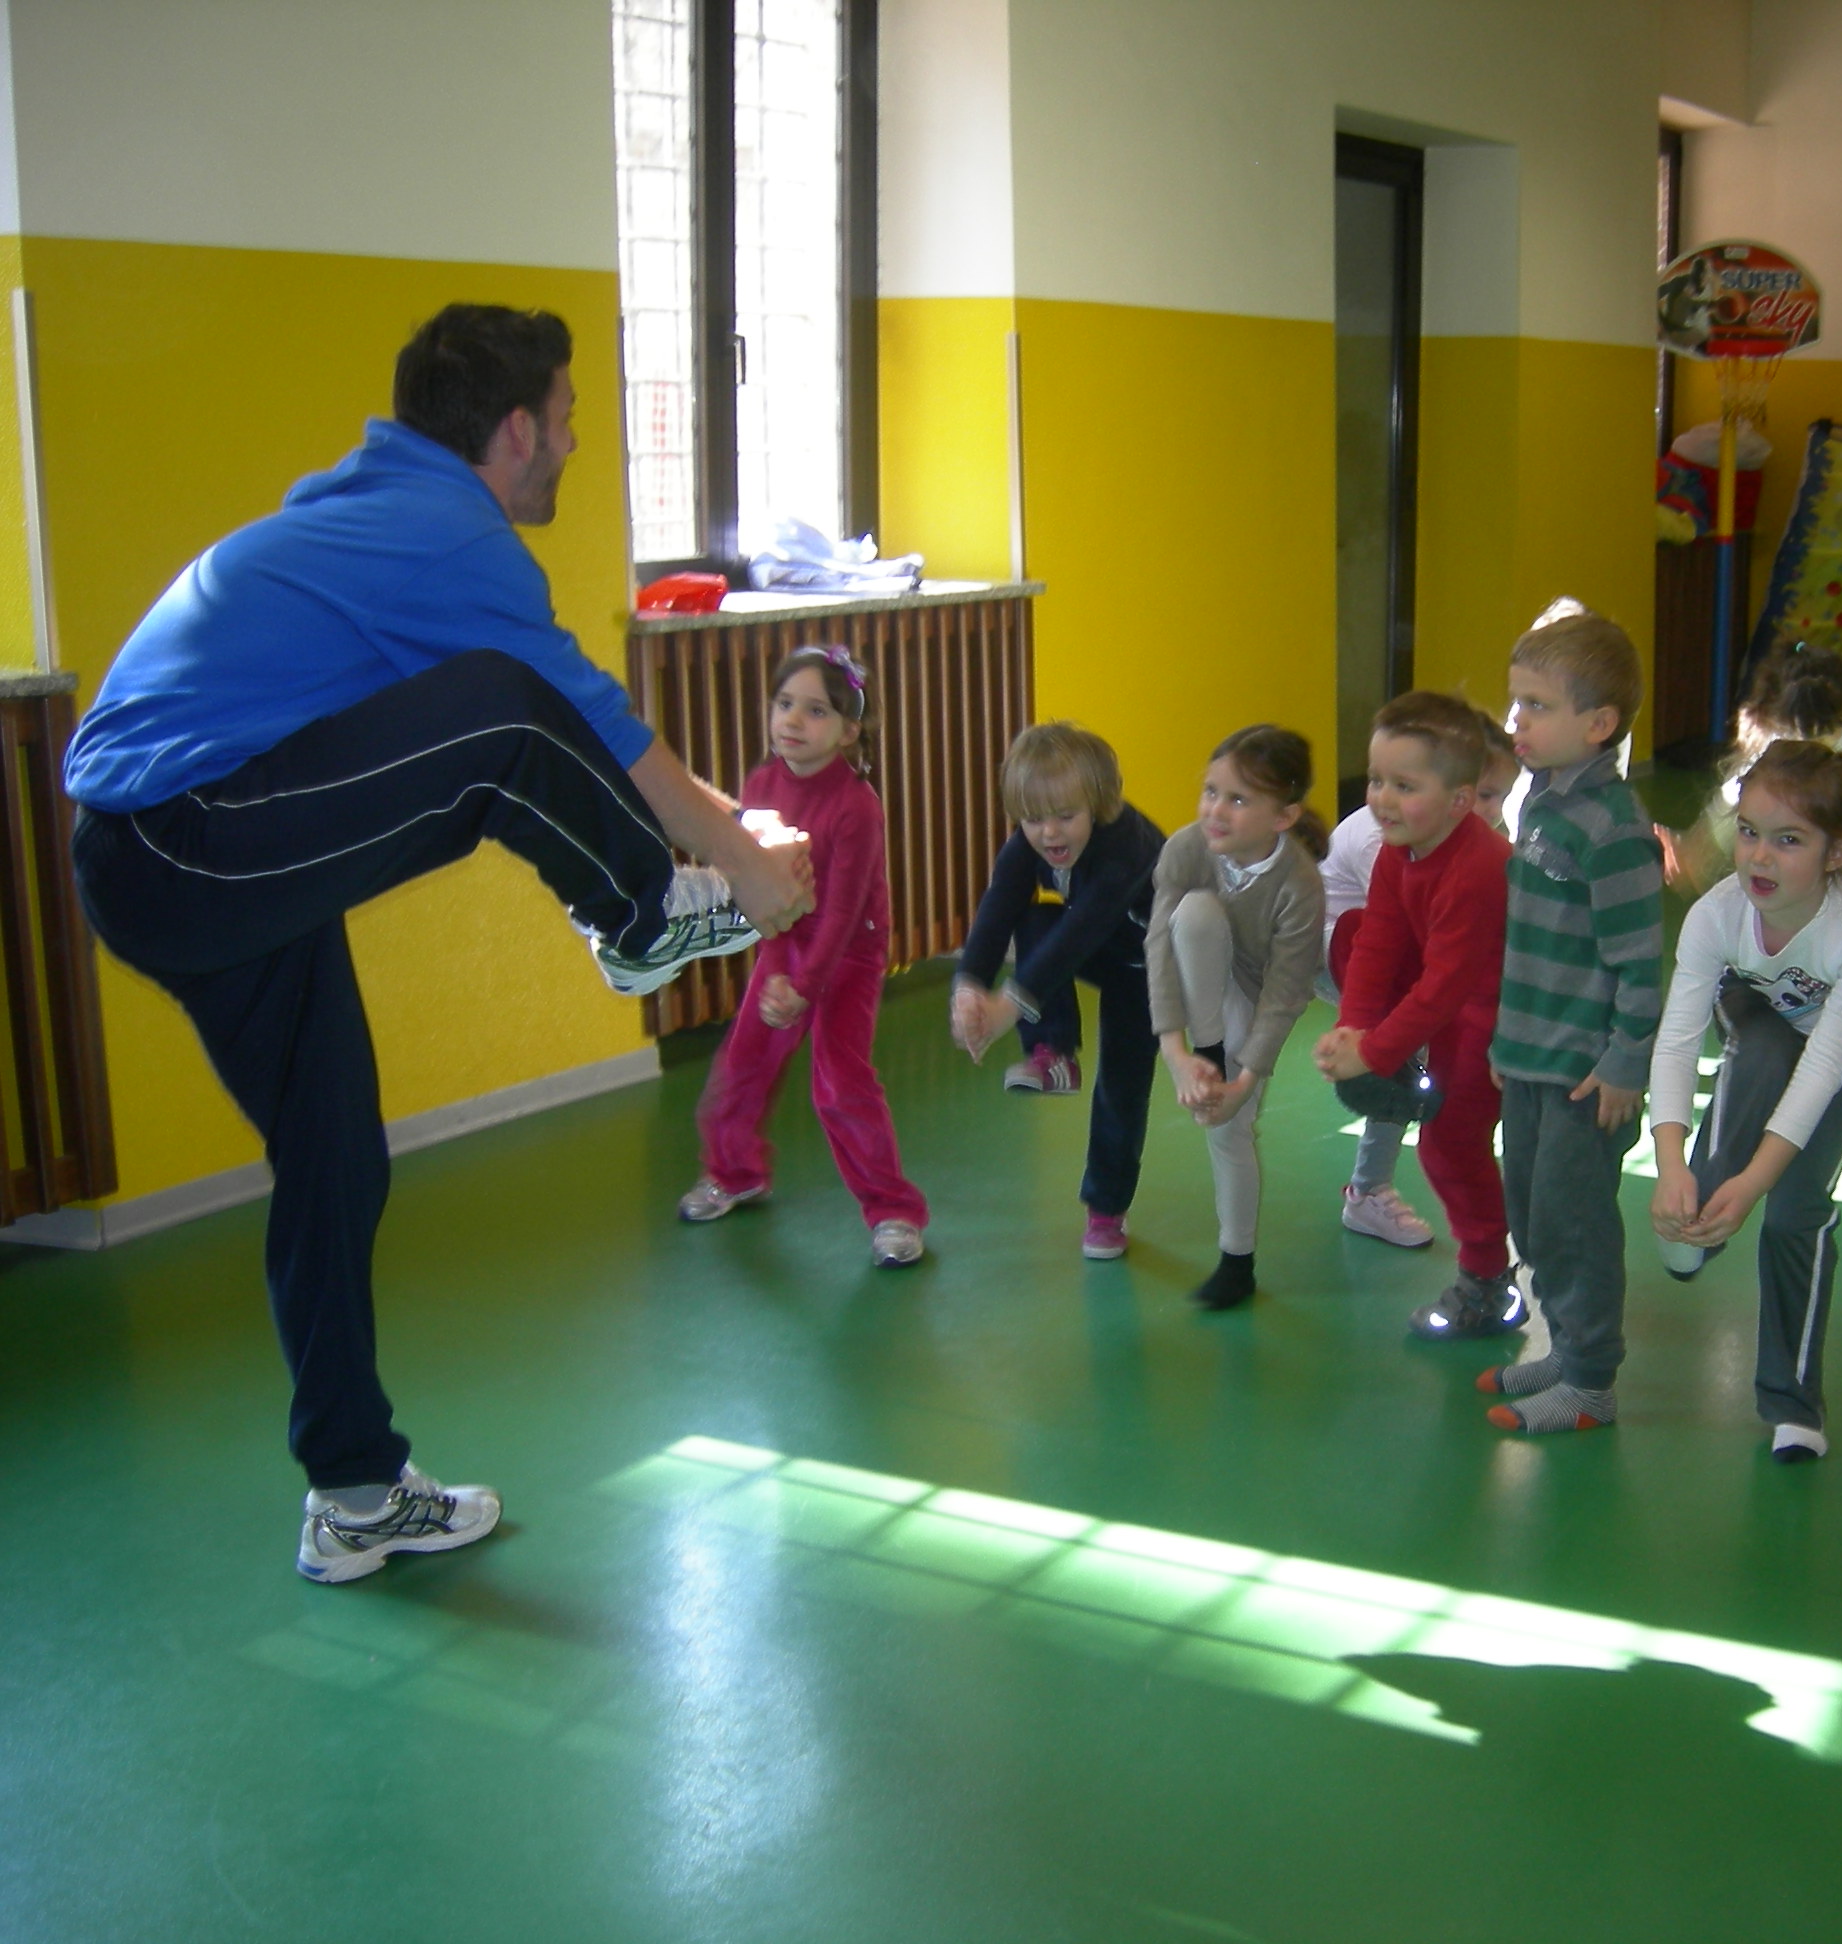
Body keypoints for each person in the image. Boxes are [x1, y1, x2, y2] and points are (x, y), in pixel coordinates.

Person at [60, 304, 810, 1583]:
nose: (578, 443)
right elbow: (598, 731)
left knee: (335, 1153)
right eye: (571, 418)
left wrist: (732, 841)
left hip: (185, 849)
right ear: (516, 429)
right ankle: (635, 919)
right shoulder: (444, 533)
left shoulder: (377, 505)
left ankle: (353, 1492)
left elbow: (596, 747)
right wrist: (739, 871)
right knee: (499, 713)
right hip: (180, 836)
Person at [1647, 740, 1842, 1459]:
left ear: (1837, 851)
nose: (1758, 857)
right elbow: (1677, 1039)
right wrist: (1669, 1164)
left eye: (1789, 841)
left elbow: (1824, 1068)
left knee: (1795, 1212)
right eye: (1749, 832)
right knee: (1760, 1052)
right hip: (1757, 1014)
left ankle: (1793, 1403)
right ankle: (1699, 1205)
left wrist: (1758, 1185)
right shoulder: (1718, 914)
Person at [1478, 607, 1665, 1436]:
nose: (1517, 721)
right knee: (1528, 1210)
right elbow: (1528, 942)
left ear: (1599, 725)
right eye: (1516, 703)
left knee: (1573, 1219)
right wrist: (1505, 1041)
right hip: (1529, 1054)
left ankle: (1591, 1380)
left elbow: (1638, 960)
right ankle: (1565, 1344)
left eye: (1537, 707)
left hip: (1588, 1071)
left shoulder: (1614, 829)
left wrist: (1629, 1060)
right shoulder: (1541, 806)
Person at [680, 647, 929, 1268]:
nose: (793, 720)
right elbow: (754, 873)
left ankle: (893, 1210)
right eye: (784, 703)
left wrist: (806, 985)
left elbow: (844, 914)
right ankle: (736, 1172)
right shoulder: (763, 784)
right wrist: (776, 962)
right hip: (786, 942)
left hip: (847, 956)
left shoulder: (856, 807)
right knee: (743, 1062)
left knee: (840, 1084)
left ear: (849, 731)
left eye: (815, 711)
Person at [1314, 692, 1516, 1338]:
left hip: (1506, 1017)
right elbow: (1379, 942)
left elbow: (1447, 985)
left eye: (1405, 785)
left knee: (1451, 1142)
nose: (1382, 799)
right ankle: (1492, 1269)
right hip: (1465, 1011)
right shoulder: (1400, 851)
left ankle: (1490, 1281)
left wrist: (1374, 1052)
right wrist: (1354, 1028)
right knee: (1446, 1142)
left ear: (1459, 800)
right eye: (1377, 780)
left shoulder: (1477, 865)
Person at [951, 722, 1165, 1259]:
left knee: (1122, 1086)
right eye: (1034, 819)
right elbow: (999, 906)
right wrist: (969, 988)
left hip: (1156, 969)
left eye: (1066, 816)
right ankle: (1054, 1052)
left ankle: (1107, 1209)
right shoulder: (1030, 844)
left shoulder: (1126, 846)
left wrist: (1009, 1005)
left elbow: (1082, 931)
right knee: (1033, 916)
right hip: (1105, 951)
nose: (1050, 834)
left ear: (1098, 803)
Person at [1147, 726, 1327, 1310]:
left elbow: (1284, 993)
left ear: (1285, 815)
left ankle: (1237, 1260)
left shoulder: (1299, 884)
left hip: (1250, 998)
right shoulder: (1186, 848)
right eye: (1210, 790)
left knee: (1231, 1129)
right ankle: (1208, 1051)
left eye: (1239, 799)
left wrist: (1246, 1079)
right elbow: (1159, 948)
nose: (1215, 810)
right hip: (1202, 1004)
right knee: (1195, 912)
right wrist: (1179, 1056)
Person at [1663, 643, 1842, 935]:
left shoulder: (1768, 755)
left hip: (1819, 908)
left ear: (1771, 704)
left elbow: (1711, 834)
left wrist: (1687, 857)